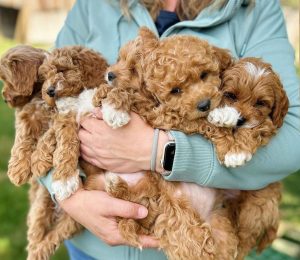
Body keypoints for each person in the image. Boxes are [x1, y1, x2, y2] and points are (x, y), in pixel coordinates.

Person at [40, 0, 300, 259]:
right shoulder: (92, 5)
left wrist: (160, 151)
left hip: (201, 235)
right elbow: (41, 103)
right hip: (91, 244)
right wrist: (71, 199)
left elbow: (294, 136)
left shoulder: (255, 7)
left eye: (204, 77)